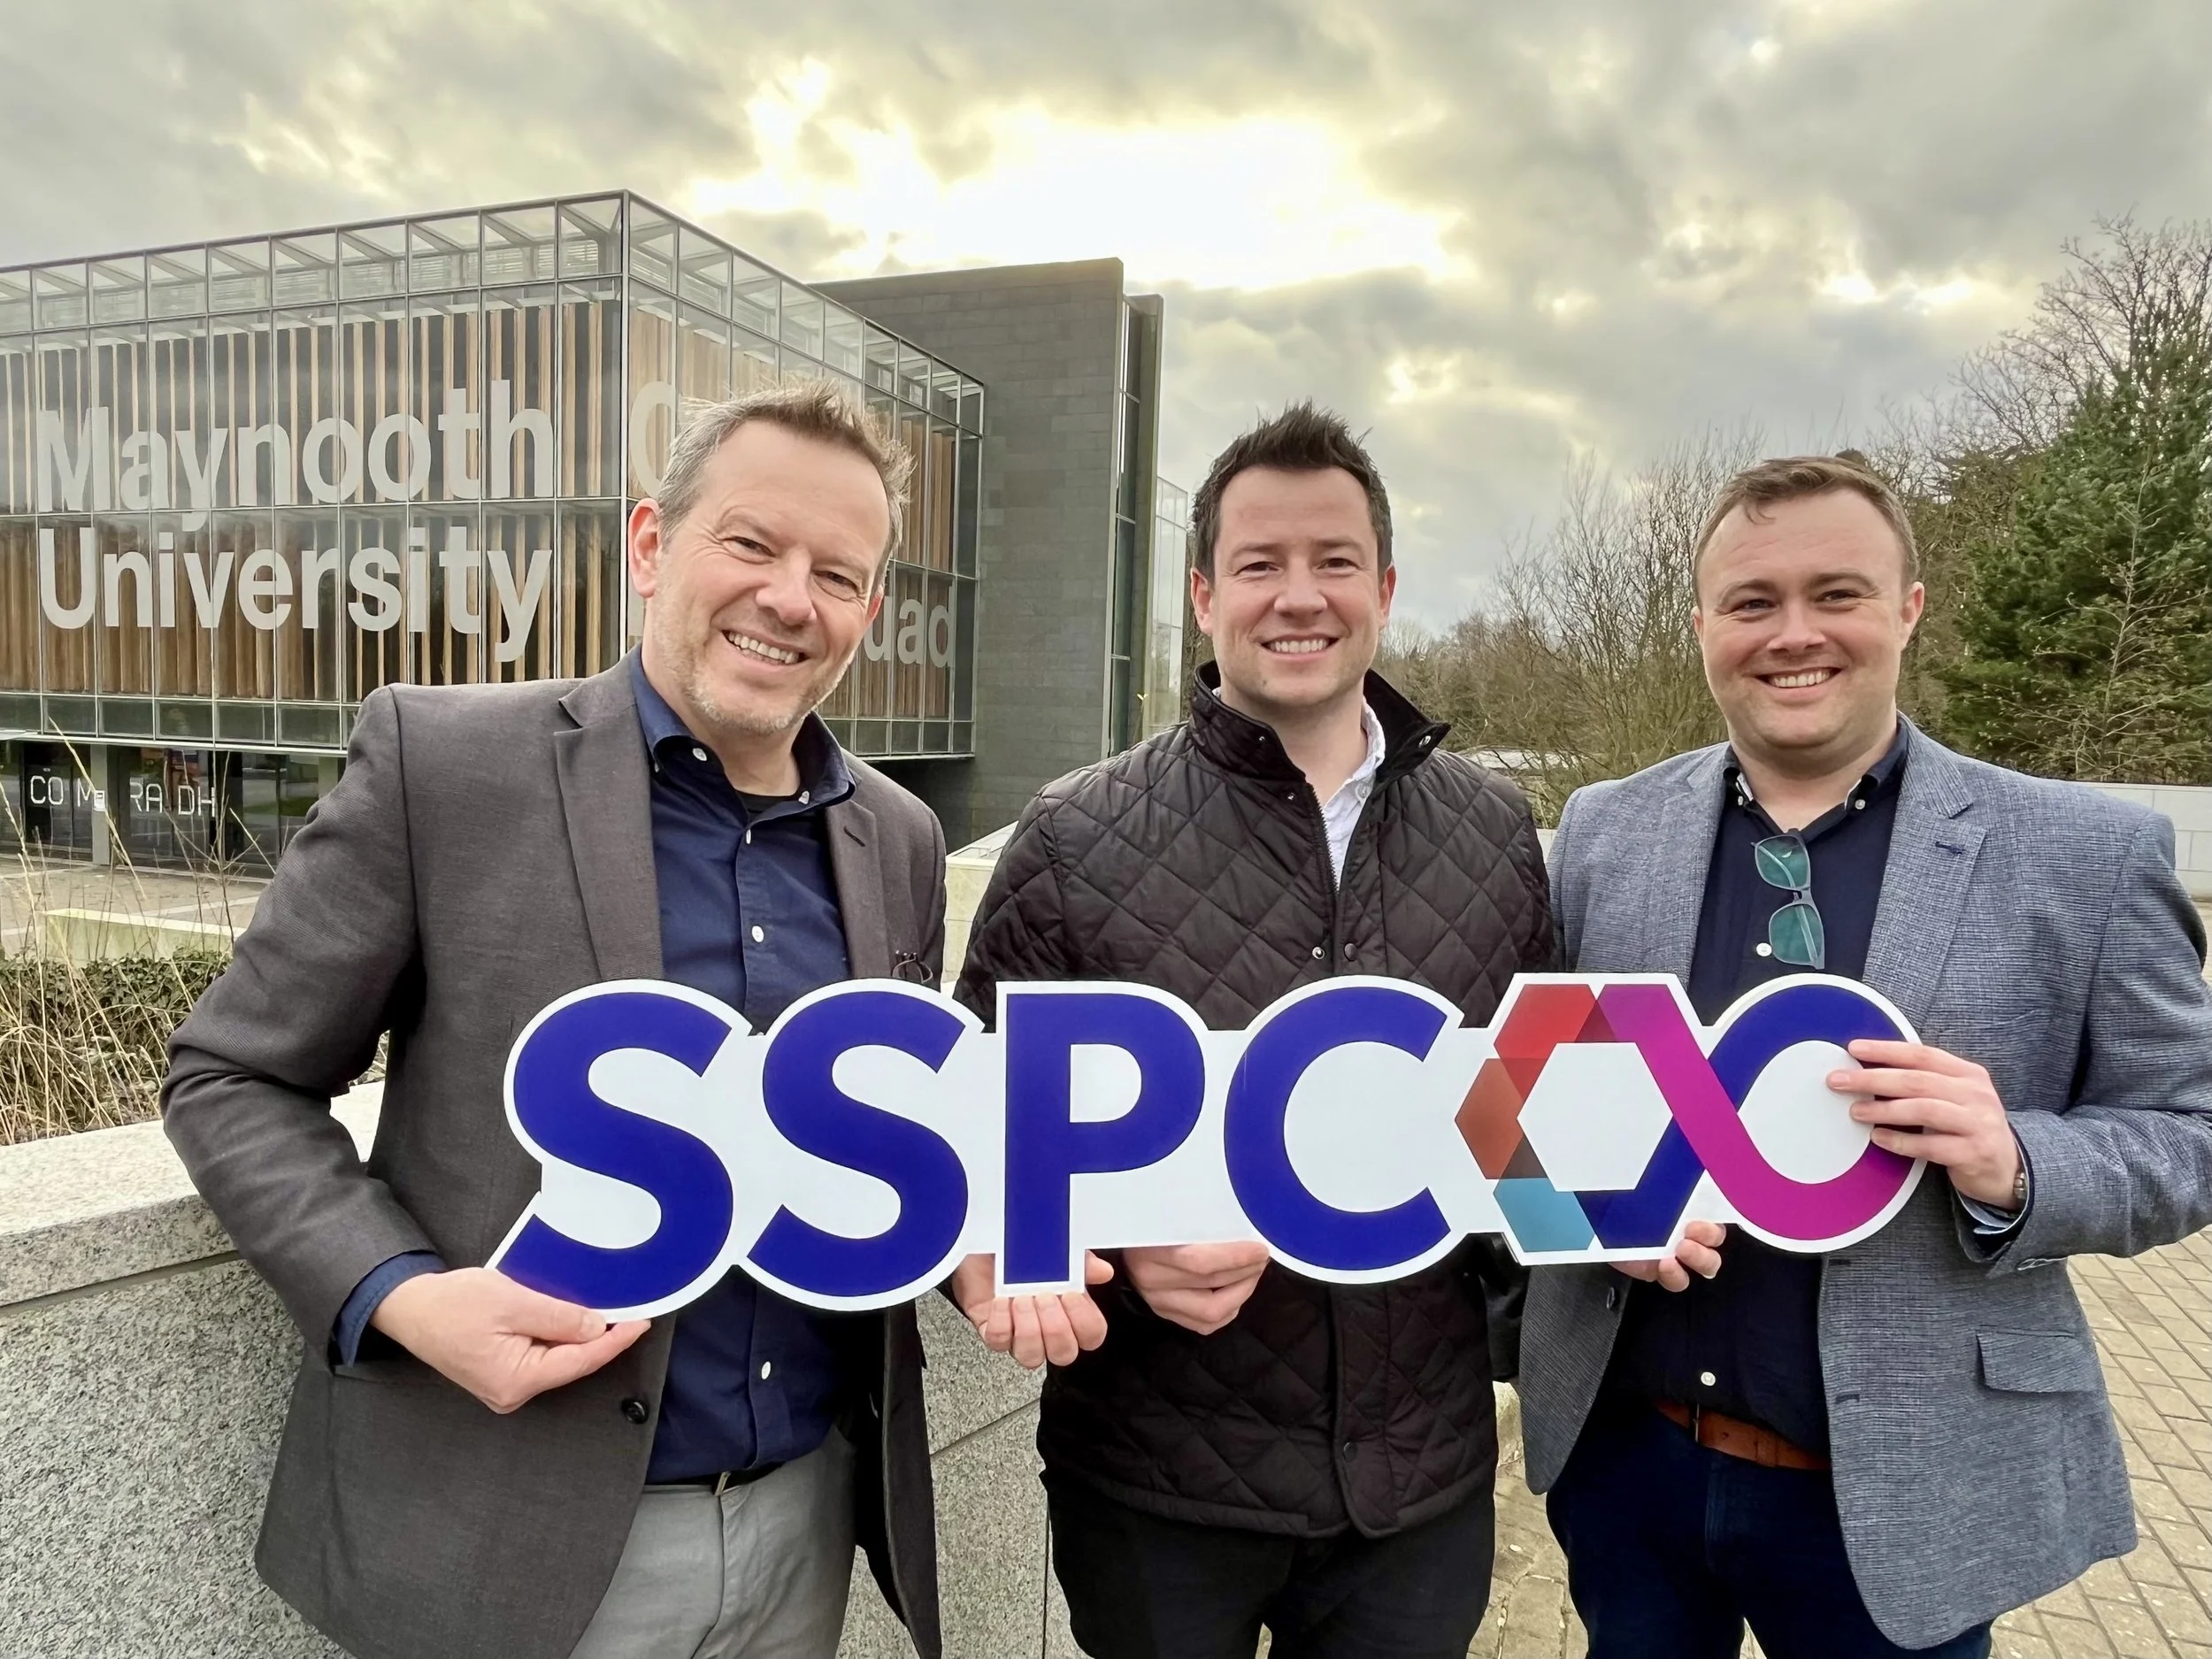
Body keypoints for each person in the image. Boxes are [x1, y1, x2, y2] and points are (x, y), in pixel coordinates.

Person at [162, 382, 947, 1659]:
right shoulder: (445, 762)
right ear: (651, 545)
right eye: (750, 543)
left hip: (809, 1518)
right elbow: (233, 1076)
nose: (791, 598)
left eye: (838, 573)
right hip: (510, 1531)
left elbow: (892, 1151)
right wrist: (404, 1296)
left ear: (867, 609)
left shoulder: (898, 838)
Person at [1518, 453, 2212, 1658]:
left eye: (1836, 593)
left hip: (1904, 1488)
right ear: (1702, 628)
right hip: (1627, 1457)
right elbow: (1533, 1097)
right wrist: (1583, 1206)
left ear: (1908, 608)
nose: (1794, 634)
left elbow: (2191, 1134)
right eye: (1752, 602)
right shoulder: (1603, 833)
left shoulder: (2085, 855)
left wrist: (2021, 1162)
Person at [950, 403, 1554, 1659]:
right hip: (1157, 1492)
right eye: (1261, 564)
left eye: (1334, 561)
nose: (1300, 596)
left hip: (1416, 1490)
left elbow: (1521, 1135)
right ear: (1202, 591)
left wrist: (1638, 1203)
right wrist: (1104, 1239)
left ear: (1384, 587)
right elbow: (966, 1149)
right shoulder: (1070, 837)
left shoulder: (1497, 836)